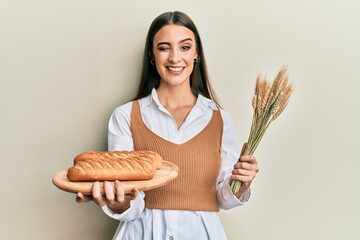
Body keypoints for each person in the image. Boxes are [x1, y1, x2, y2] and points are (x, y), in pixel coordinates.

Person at [76, 11, 259, 240]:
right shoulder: (125, 116)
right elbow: (130, 205)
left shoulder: (220, 119)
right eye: (164, 47)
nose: (174, 58)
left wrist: (240, 184)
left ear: (196, 54)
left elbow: (222, 198)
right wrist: (118, 201)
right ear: (152, 55)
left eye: (184, 47)